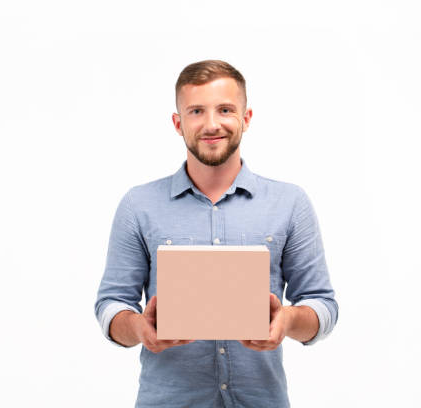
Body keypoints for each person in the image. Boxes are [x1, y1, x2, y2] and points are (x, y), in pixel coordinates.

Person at [94, 60, 338, 408]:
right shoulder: (139, 205)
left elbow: (323, 307)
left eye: (225, 109)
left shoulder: (290, 203)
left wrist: (288, 320)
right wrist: (138, 328)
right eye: (196, 111)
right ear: (178, 123)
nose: (211, 124)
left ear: (246, 117)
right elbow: (111, 305)